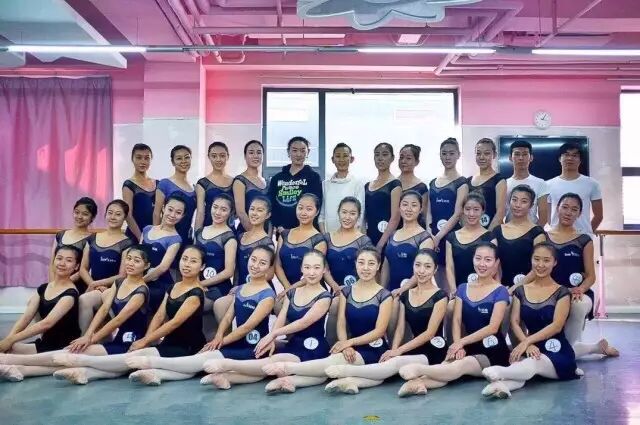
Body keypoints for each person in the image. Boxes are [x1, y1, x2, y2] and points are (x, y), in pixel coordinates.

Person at [116, 246, 276, 386]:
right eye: (253, 260)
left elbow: (247, 327)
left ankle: (153, 363)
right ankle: (156, 373)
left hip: (254, 348)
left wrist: (220, 341)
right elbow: (228, 318)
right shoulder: (241, 289)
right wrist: (219, 336)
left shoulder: (268, 295)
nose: (255, 265)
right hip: (235, 344)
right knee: (203, 363)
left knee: (205, 362)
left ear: (269, 268)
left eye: (262, 263)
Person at [50, 246, 207, 385]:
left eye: (193, 261)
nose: (186, 264)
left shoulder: (195, 293)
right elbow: (159, 317)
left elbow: (174, 323)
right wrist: (147, 339)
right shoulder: (173, 287)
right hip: (169, 342)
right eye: (184, 259)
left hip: (188, 345)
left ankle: (80, 361)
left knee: (138, 359)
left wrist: (145, 340)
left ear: (202, 267)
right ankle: (84, 372)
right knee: (137, 360)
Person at [0, 247, 150, 381]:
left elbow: (117, 320)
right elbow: (104, 309)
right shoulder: (119, 283)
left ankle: (10, 361)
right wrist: (88, 335)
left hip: (130, 342)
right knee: (72, 355)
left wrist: (91, 339)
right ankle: (18, 368)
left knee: (72, 355)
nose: (130, 263)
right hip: (116, 339)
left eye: (136, 261)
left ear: (146, 266)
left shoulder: (141, 291)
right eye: (128, 258)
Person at [261, 247, 392, 394]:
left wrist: (349, 343)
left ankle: (288, 368)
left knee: (333, 364)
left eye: (371, 263)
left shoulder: (384, 295)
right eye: (361, 263)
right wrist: (345, 344)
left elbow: (379, 331)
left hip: (373, 347)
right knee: (338, 367)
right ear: (355, 264)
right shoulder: (346, 291)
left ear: (378, 266)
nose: (366, 268)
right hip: (350, 348)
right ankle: (347, 382)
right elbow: (341, 322)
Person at [480, 243, 604, 399]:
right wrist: (527, 344)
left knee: (533, 363)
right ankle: (501, 386)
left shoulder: (562, 292)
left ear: (554, 262)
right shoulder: (520, 291)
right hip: (532, 346)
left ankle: (500, 372)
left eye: (546, 260)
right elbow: (515, 322)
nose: (540, 265)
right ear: (531, 260)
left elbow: (556, 326)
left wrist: (526, 342)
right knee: (524, 366)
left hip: (557, 351)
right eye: (536, 259)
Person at [199, 250, 332, 389]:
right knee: (268, 365)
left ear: (324, 270)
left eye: (316, 268)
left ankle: (228, 365)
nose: (311, 272)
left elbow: (303, 322)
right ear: (301, 268)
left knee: (273, 363)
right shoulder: (292, 293)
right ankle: (226, 377)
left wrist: (273, 334)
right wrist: (272, 339)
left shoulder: (324, 297)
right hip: (294, 344)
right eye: (307, 267)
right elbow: (281, 319)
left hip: (314, 347)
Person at [322, 249, 448, 394]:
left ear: (435, 269)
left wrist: (399, 351)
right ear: (413, 266)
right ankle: (350, 382)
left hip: (433, 349)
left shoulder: (440, 296)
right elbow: (400, 328)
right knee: (388, 367)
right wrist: (393, 350)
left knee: (395, 364)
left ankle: (347, 371)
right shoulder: (406, 294)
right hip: (412, 349)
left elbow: (429, 333)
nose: (421, 271)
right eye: (418, 265)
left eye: (427, 266)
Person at [397, 242, 510, 396]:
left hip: (492, 350)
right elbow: (456, 320)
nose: (482, 264)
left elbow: (493, 327)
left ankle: (420, 370)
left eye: (488, 260)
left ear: (496, 263)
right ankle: (417, 383)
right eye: (478, 258)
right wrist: (458, 345)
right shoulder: (463, 288)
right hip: (466, 346)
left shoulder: (500, 291)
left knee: (459, 366)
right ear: (473, 259)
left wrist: (460, 342)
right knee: (447, 366)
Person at [546, 193, 619, 358]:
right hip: (550, 292)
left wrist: (580, 289)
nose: (568, 212)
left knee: (578, 305)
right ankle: (595, 347)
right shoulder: (544, 237)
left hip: (577, 293)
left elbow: (591, 276)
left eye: (574, 209)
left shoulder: (584, 240)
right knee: (549, 345)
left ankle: (566, 355)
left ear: (579, 214)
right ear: (557, 209)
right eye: (565, 207)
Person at [0, 245, 81, 381]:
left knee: (7, 356)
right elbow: (26, 318)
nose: (62, 263)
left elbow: (46, 324)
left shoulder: (70, 294)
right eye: (59, 258)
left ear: (76, 266)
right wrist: (8, 340)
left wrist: (11, 340)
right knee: (10, 348)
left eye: (68, 260)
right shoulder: (43, 288)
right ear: (53, 260)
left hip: (61, 346)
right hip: (45, 342)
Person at [77, 200, 134, 333]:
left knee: (84, 299)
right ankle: (85, 338)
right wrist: (94, 285)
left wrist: (98, 284)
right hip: (93, 286)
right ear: (105, 214)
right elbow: (83, 269)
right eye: (110, 213)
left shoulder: (127, 243)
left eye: (118, 214)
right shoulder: (92, 238)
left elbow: (122, 275)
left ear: (124, 218)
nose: (113, 217)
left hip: (114, 289)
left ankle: (84, 339)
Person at [324, 197, 373, 345]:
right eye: (344, 212)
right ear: (338, 213)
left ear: (358, 216)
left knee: (338, 305)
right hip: (335, 289)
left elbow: (368, 270)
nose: (347, 217)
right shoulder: (327, 238)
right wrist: (335, 287)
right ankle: (330, 347)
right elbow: (323, 268)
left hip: (358, 290)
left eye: (352, 213)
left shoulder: (363, 241)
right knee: (335, 304)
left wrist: (351, 290)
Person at [493, 185, 547, 288]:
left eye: (524, 201)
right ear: (509, 202)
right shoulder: (497, 231)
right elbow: (493, 262)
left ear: (531, 205)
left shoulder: (537, 233)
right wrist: (499, 288)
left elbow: (539, 267)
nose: (518, 205)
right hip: (500, 287)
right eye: (514, 200)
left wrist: (515, 288)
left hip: (528, 288)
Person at [381, 191, 434, 294]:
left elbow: (423, 270)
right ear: (399, 207)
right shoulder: (392, 235)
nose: (409, 209)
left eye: (414, 205)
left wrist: (401, 290)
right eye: (405, 204)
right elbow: (386, 265)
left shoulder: (425, 238)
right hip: (392, 293)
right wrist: (382, 291)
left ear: (420, 209)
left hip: (414, 294)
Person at [268, 136, 323, 232]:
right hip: (282, 231)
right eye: (294, 150)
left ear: (308, 152)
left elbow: (317, 205)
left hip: (307, 232)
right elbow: (271, 205)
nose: (298, 154)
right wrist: (279, 225)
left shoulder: (314, 177)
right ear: (288, 152)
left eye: (302, 151)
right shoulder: (277, 179)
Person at [428, 138, 468, 267]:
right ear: (440, 155)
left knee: (449, 269)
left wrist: (438, 237)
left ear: (458, 155)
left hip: (451, 235)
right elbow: (428, 212)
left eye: (451, 153)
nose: (447, 157)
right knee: (433, 270)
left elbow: (458, 213)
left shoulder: (461, 182)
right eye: (444, 153)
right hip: (432, 235)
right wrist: (429, 234)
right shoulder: (433, 182)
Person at [275, 194, 327, 294]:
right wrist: (288, 288)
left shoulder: (319, 240)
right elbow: (277, 265)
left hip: (312, 292)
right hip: (287, 291)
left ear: (317, 212)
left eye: (309, 209)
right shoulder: (285, 234)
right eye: (300, 208)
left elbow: (314, 272)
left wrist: (290, 290)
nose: (303, 212)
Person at [547, 142, 603, 234]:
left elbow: (599, 216)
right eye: (566, 155)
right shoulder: (548, 185)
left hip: (582, 238)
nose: (570, 158)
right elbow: (547, 216)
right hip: (556, 237)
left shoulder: (592, 184)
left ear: (580, 160)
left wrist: (587, 234)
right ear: (560, 158)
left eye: (574, 155)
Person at [194, 194, 237, 310]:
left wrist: (201, 284)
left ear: (230, 212)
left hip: (217, 287)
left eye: (223, 209)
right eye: (215, 207)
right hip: (195, 283)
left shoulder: (229, 238)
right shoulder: (200, 231)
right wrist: (194, 282)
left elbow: (229, 272)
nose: (218, 212)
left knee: (192, 304)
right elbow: (193, 259)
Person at [141, 195, 184, 311]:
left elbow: (163, 267)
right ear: (164, 208)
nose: (172, 215)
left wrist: (139, 282)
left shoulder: (175, 239)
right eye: (170, 209)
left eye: (178, 212)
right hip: (139, 278)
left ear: (182, 216)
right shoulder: (147, 229)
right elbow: (137, 255)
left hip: (160, 284)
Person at [445, 192, 493, 293]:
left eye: (476, 209)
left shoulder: (490, 237)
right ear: (463, 210)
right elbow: (449, 267)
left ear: (483, 211)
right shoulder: (451, 237)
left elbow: (493, 268)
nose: (471, 214)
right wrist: (454, 291)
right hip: (458, 291)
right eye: (467, 209)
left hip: (482, 291)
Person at [49, 197, 98, 290]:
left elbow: (83, 269)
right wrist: (52, 285)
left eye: (85, 214)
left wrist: (62, 285)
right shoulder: (60, 235)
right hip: (56, 285)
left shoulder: (92, 239)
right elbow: (52, 264)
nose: (79, 216)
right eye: (77, 212)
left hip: (76, 287)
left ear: (92, 217)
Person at [154, 145, 196, 244]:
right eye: (179, 158)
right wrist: (156, 238)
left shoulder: (194, 188)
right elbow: (156, 213)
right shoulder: (164, 184)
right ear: (173, 162)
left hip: (187, 238)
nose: (183, 161)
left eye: (187, 157)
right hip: (167, 238)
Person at [319, 143, 365, 234]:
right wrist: (325, 236)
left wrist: (351, 238)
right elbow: (321, 215)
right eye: (338, 156)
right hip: (329, 237)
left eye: (345, 156)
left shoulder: (357, 184)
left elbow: (360, 215)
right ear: (333, 159)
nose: (341, 159)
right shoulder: (325, 185)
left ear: (351, 159)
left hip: (351, 237)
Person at [364, 143, 402, 250]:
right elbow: (363, 216)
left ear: (392, 158)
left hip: (385, 239)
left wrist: (380, 245)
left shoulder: (395, 184)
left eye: (385, 155)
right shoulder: (367, 186)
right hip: (368, 238)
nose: (380, 158)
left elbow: (395, 218)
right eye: (377, 155)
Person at [506, 140, 548, 226]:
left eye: (525, 154)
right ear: (510, 158)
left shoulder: (540, 183)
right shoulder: (504, 184)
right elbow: (500, 214)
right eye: (517, 154)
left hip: (532, 231)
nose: (521, 158)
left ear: (531, 157)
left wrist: (535, 232)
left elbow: (543, 217)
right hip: (508, 231)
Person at [467, 138, 506, 230]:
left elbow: (500, 214)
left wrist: (487, 235)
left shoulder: (499, 180)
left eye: (487, 153)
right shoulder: (468, 181)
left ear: (494, 155)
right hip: (471, 232)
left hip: (491, 233)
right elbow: (463, 211)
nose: (482, 157)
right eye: (478, 153)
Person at [122, 143, 157, 242]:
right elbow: (128, 215)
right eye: (139, 157)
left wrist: (156, 235)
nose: (143, 162)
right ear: (132, 159)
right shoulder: (129, 184)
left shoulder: (157, 183)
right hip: (135, 236)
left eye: (147, 158)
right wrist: (141, 238)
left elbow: (160, 213)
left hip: (154, 236)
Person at [195, 142, 234, 230]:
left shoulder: (235, 182)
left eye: (222, 156)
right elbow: (200, 213)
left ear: (228, 156)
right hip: (208, 231)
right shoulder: (202, 183)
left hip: (230, 231)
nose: (218, 159)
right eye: (214, 156)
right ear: (209, 157)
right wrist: (197, 235)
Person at [232, 140, 267, 233]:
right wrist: (255, 235)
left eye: (259, 152)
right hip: (247, 233)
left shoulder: (266, 181)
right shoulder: (240, 181)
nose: (255, 156)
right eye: (251, 153)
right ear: (245, 156)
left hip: (266, 233)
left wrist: (268, 236)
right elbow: (241, 212)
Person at [398, 144, 429, 227]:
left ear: (416, 162)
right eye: (401, 157)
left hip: (415, 230)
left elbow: (425, 214)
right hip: (392, 230)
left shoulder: (421, 187)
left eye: (408, 158)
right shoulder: (392, 184)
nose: (403, 161)